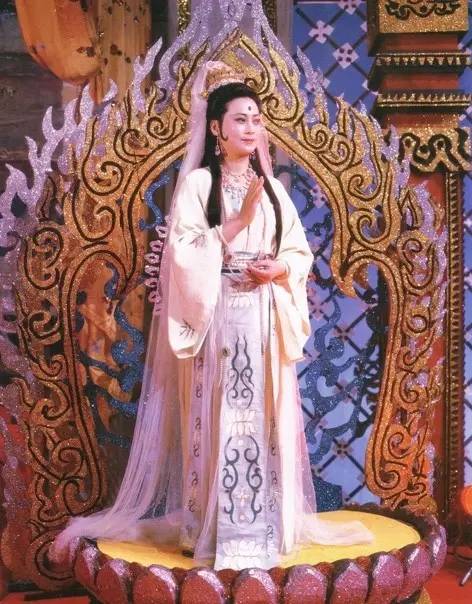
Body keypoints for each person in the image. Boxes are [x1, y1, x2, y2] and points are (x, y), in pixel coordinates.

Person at [53, 62, 372, 571]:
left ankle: (266, 525)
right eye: (240, 119)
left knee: (264, 414)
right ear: (217, 129)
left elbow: (298, 251)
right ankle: (213, 527)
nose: (251, 127)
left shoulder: (273, 189)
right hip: (218, 312)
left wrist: (279, 268)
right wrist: (237, 224)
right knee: (220, 413)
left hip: (263, 314)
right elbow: (182, 252)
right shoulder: (200, 184)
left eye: (257, 119)